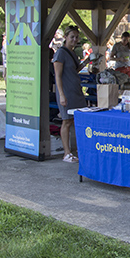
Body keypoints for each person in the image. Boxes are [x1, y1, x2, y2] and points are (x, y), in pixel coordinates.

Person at [53, 27, 88, 163]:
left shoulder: (72, 53)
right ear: (66, 37)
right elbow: (58, 75)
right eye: (72, 37)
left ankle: (78, 149)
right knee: (66, 121)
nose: (74, 40)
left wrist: (87, 61)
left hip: (76, 90)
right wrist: (61, 94)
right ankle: (66, 153)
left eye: (76, 37)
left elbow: (75, 69)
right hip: (66, 91)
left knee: (77, 119)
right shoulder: (60, 53)